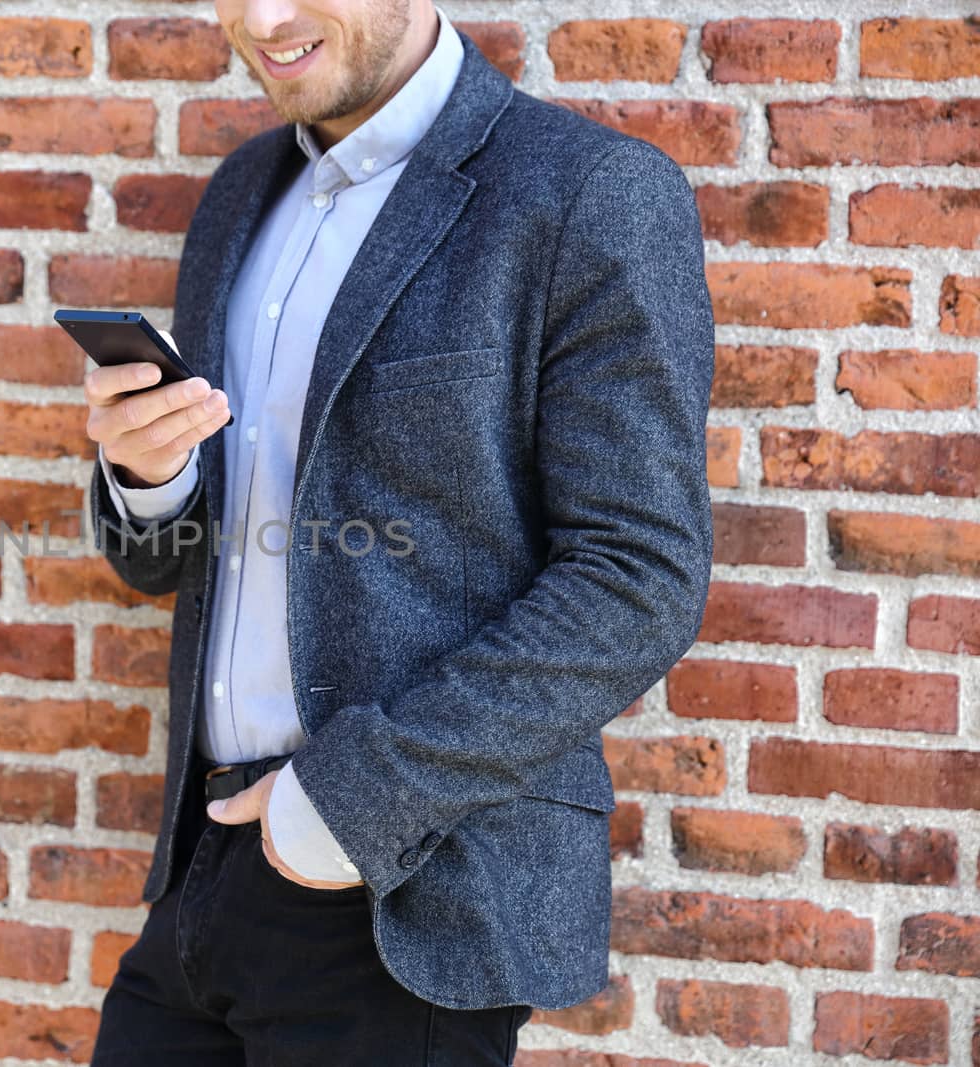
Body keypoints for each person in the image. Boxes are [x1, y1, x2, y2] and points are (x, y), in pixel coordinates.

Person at [81, 0, 714, 1062]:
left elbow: (639, 574)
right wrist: (149, 477)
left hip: (404, 881)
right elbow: (170, 565)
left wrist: (341, 805)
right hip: (203, 870)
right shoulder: (240, 193)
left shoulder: (587, 194)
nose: (264, 19)